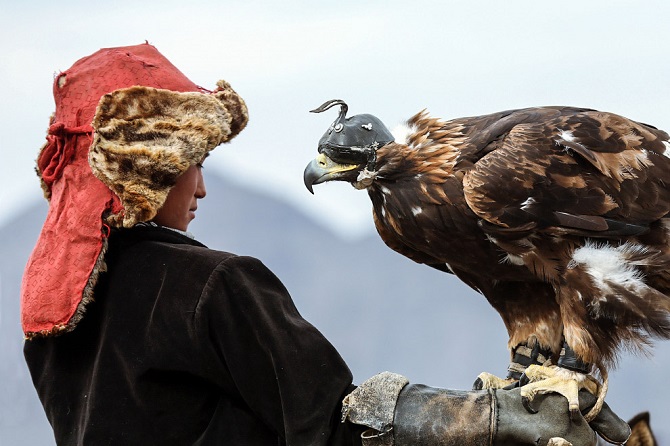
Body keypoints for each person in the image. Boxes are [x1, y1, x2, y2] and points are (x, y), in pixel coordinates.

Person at [21, 43, 631, 446]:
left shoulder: (56, 308)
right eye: (193, 162)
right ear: (149, 166)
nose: (201, 185)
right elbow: (333, 424)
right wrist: (492, 423)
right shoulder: (211, 287)